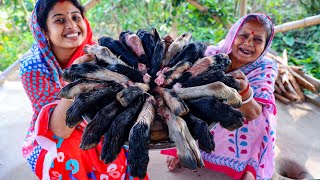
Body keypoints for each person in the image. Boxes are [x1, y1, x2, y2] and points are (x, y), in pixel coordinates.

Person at [19, 0, 145, 179]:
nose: (71, 26)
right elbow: (60, 129)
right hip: (56, 125)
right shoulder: (33, 67)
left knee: (121, 137)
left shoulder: (97, 53)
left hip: (95, 116)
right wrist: (77, 76)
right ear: (45, 30)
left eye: (76, 17)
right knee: (68, 149)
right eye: (59, 20)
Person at [162, 13, 278, 180]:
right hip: (212, 107)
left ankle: (250, 167)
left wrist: (244, 91)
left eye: (258, 40)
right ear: (233, 35)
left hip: (246, 114)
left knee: (261, 121)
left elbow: (254, 113)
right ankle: (186, 148)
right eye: (243, 35)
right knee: (187, 100)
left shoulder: (265, 68)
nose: (248, 43)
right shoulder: (214, 54)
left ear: (266, 45)